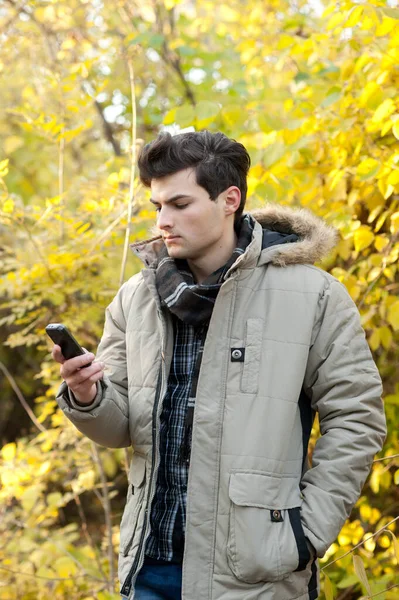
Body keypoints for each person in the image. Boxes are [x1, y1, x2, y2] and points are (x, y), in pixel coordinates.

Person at [54, 130, 386, 600]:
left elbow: (357, 417)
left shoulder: (314, 295)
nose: (163, 220)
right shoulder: (137, 297)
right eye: (157, 206)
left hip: (254, 576)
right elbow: (119, 428)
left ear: (229, 199)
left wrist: (305, 533)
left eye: (180, 204)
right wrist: (88, 395)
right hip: (147, 569)